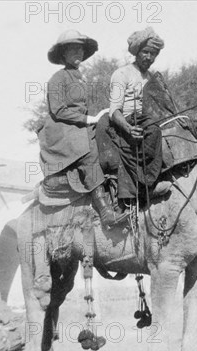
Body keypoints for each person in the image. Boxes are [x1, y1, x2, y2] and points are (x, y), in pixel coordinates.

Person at [38, 30, 128, 227]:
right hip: (61, 130)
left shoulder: (80, 78)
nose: (78, 54)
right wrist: (88, 119)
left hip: (77, 125)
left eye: (80, 50)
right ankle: (105, 211)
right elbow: (58, 110)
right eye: (73, 50)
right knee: (88, 153)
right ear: (63, 54)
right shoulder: (57, 78)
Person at [102, 27, 165, 202]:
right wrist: (129, 129)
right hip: (127, 121)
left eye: (153, 54)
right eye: (145, 52)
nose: (149, 57)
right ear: (137, 52)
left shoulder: (152, 78)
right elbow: (114, 111)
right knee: (153, 130)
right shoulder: (121, 74)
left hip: (146, 120)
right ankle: (144, 184)